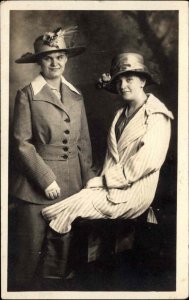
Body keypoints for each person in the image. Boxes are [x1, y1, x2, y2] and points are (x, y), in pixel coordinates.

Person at [42, 52, 174, 235]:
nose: (123, 86)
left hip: (134, 192)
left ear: (142, 81)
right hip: (111, 188)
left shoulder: (156, 115)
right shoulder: (121, 113)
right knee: (56, 210)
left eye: (129, 79)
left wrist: (102, 181)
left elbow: (145, 163)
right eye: (118, 81)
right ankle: (61, 262)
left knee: (60, 211)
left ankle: (56, 262)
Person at [10, 26, 95, 290]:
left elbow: (83, 143)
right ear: (39, 61)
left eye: (59, 56)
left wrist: (90, 181)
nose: (55, 62)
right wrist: (46, 179)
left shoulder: (76, 96)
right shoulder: (27, 95)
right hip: (36, 190)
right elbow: (22, 144)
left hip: (72, 189)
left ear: (66, 58)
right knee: (30, 258)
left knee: (62, 262)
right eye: (48, 57)